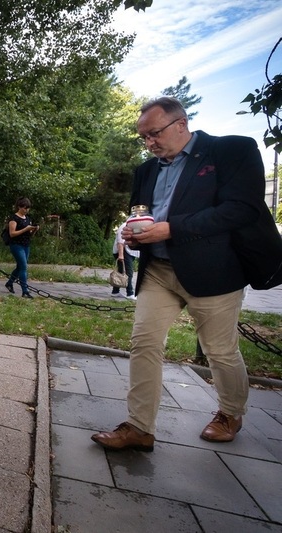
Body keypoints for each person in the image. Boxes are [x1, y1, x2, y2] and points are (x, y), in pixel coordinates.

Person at [91, 96, 266, 452]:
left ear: (181, 124)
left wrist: (171, 229)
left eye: (154, 134)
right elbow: (142, 215)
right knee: (144, 343)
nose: (149, 143)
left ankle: (230, 413)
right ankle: (140, 428)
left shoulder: (231, 151)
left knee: (219, 351)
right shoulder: (146, 170)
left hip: (214, 273)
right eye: (144, 137)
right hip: (158, 271)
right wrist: (134, 233)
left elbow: (240, 210)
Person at [5, 197, 39, 298]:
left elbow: (29, 234)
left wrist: (34, 230)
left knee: (20, 267)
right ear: (19, 207)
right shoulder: (14, 219)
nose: (26, 210)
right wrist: (26, 229)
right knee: (24, 267)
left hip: (26, 245)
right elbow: (12, 233)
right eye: (25, 208)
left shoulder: (28, 219)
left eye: (28, 208)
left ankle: (9, 283)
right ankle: (25, 290)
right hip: (16, 245)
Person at [111, 221, 139, 300]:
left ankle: (115, 291)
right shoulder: (124, 226)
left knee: (121, 272)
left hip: (129, 253)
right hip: (123, 252)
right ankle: (130, 293)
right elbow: (120, 242)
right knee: (128, 273)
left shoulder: (134, 228)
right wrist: (121, 255)